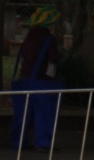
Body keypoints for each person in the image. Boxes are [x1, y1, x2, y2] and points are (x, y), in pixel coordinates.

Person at [10, 8, 64, 150]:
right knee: (43, 113)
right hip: (42, 80)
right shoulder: (48, 38)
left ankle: (18, 142)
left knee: (22, 114)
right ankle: (43, 143)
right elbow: (53, 58)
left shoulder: (28, 38)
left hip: (24, 79)